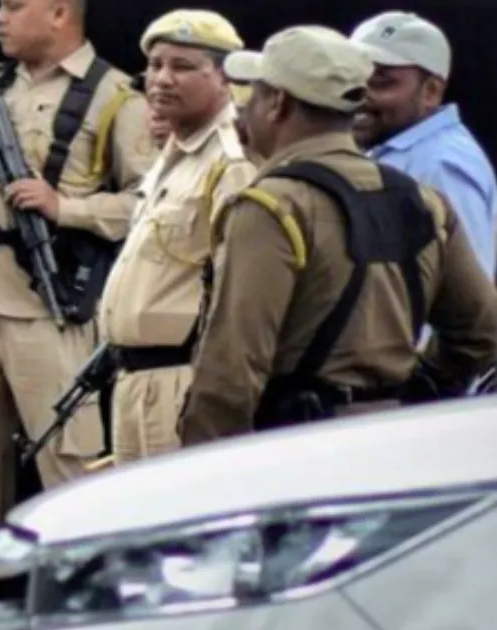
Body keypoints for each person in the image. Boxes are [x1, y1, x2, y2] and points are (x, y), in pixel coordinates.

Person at [180, 25, 497, 443]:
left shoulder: (272, 206)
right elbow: (481, 333)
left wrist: (207, 473)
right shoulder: (424, 201)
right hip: (393, 444)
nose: (245, 110)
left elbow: (230, 371)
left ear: (277, 102)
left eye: (254, 94)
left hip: (293, 451)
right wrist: (417, 389)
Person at [0, 0, 154, 516]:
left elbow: (147, 202)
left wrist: (67, 209)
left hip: (51, 311)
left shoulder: (115, 97)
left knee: (70, 469)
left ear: (59, 13)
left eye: (14, 6)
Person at [99, 9, 255, 463]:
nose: (162, 79)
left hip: (182, 381)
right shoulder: (175, 153)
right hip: (135, 382)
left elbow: (238, 292)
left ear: (225, 78)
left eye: (183, 67)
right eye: (156, 65)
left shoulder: (231, 161)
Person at [350, 12, 497, 279]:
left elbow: (470, 299)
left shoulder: (442, 165)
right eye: (353, 78)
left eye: (381, 82)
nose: (361, 95)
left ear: (431, 91)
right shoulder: (396, 149)